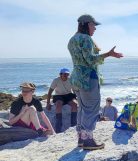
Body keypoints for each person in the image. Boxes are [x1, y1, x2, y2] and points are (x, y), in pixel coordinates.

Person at [68, 14, 123, 150]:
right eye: (93, 25)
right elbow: (91, 60)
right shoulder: (86, 39)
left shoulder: (72, 39)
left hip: (76, 78)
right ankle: (88, 140)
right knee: (91, 109)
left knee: (82, 108)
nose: (95, 28)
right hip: (88, 78)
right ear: (86, 24)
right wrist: (108, 54)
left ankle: (81, 138)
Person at [46, 68, 78, 133]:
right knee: (58, 105)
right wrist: (48, 103)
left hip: (68, 95)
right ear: (60, 74)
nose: (66, 76)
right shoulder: (56, 80)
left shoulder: (70, 80)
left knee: (75, 104)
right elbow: (50, 92)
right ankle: (58, 128)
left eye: (67, 74)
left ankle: (73, 125)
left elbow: (75, 91)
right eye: (64, 74)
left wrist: (77, 99)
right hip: (58, 96)